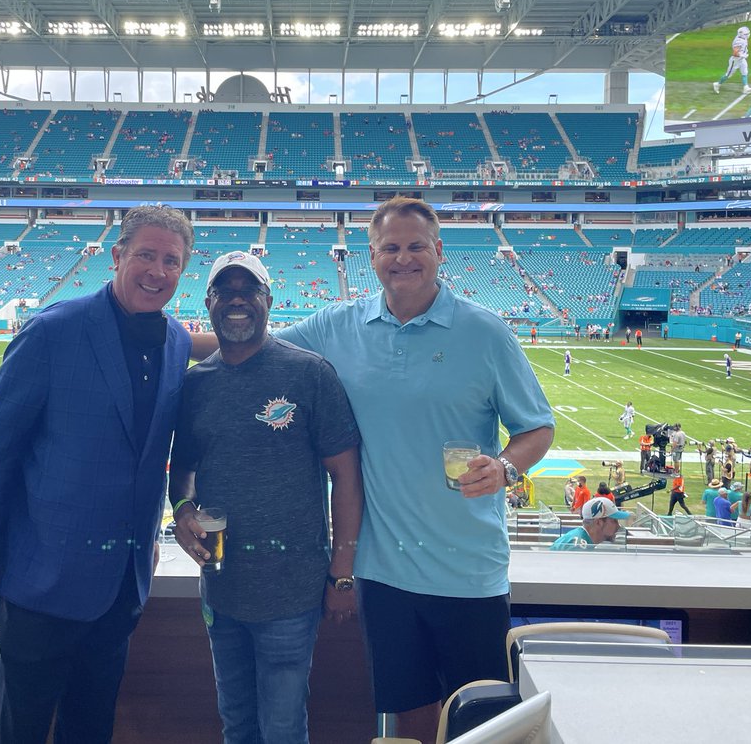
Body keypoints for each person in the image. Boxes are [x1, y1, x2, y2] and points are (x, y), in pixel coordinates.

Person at [226, 197, 555, 744]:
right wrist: (168, 343)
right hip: (385, 574)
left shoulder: (486, 332)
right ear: (372, 257)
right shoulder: (340, 325)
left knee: (482, 721)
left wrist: (504, 467)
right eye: (391, 248)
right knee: (409, 717)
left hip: (469, 570)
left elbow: (537, 429)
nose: (404, 258)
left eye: (416, 246)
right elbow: (258, 349)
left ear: (439, 252)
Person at [0, 204, 194, 744]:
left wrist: (150, 534)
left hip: (120, 585)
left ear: (184, 269)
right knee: (22, 726)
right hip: (42, 579)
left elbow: (149, 454)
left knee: (92, 725)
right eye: (146, 255)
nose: (157, 271)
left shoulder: (177, 342)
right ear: (117, 256)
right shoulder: (53, 331)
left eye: (171, 261)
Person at [169, 251, 364, 744]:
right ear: (208, 302)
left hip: (290, 589)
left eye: (248, 290)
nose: (237, 300)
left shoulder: (308, 373)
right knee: (236, 723)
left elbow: (345, 475)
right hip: (222, 586)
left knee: (281, 727)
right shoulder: (196, 383)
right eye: (225, 291)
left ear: (268, 301)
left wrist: (342, 571)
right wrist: (183, 509)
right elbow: (184, 467)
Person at [550, 498, 630, 550]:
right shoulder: (579, 548)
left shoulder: (581, 539)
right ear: (599, 522)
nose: (618, 526)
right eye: (614, 521)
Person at [713, 25, 751, 95]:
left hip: (741, 60)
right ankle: (717, 84)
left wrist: (743, 55)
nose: (748, 35)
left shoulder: (743, 38)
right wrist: (742, 55)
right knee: (728, 75)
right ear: (741, 34)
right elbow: (735, 53)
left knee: (745, 72)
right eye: (746, 34)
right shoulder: (738, 41)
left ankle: (746, 88)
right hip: (735, 61)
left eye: (748, 33)